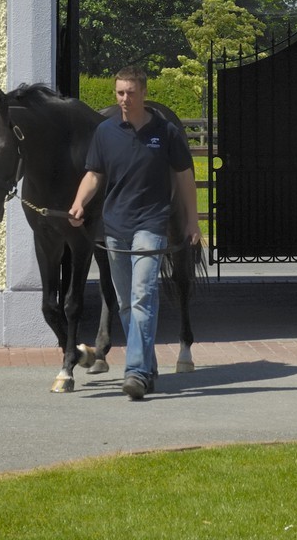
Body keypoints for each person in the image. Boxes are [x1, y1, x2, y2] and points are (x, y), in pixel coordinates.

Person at [68, 66, 200, 400]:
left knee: (143, 296)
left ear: (143, 92)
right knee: (126, 303)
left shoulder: (165, 132)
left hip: (151, 225)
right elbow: (94, 174)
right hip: (115, 227)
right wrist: (79, 203)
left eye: (130, 92)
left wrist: (192, 221)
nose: (124, 99)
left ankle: (137, 373)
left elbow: (185, 177)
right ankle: (148, 364)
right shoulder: (106, 132)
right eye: (119, 93)